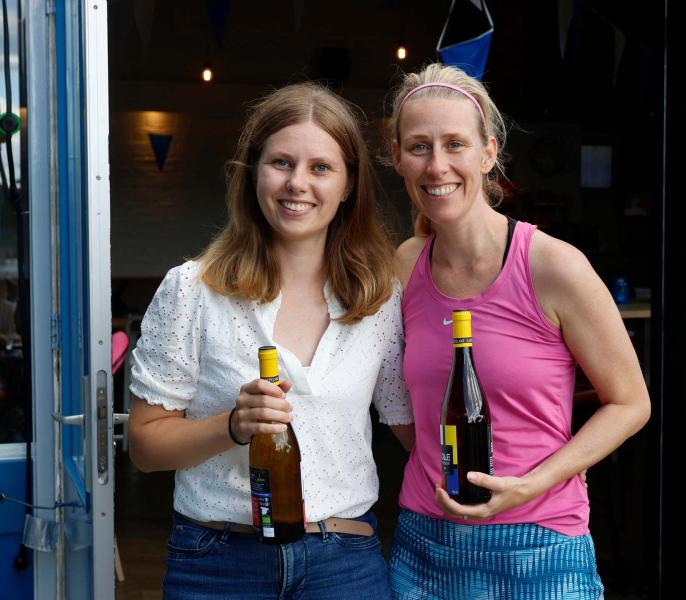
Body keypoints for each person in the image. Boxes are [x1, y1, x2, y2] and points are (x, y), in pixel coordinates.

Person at [127, 82, 415, 600]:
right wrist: (232, 426)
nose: (297, 183)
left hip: (344, 564)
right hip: (217, 563)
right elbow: (145, 447)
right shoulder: (193, 289)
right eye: (281, 162)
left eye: (320, 167)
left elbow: (411, 429)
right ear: (253, 171)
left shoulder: (379, 298)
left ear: (348, 184)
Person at [386, 63, 651, 599]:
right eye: (419, 147)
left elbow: (630, 404)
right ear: (397, 158)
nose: (437, 165)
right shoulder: (405, 264)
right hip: (424, 545)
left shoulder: (554, 265)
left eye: (455, 144)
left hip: (541, 545)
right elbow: (401, 403)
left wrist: (531, 483)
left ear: (487, 154)